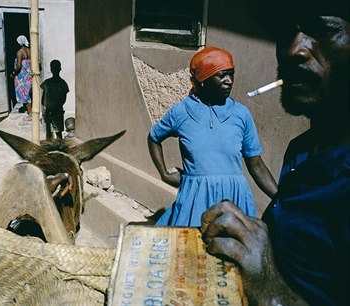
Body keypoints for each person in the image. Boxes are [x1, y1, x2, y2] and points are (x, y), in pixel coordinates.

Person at [201, 1, 349, 305]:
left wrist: (269, 290)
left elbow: (254, 163)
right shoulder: (303, 149)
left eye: (322, 30)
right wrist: (254, 234)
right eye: (286, 33)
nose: (293, 49)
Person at [147, 46, 277, 227]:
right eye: (221, 75)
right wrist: (163, 173)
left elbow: (256, 165)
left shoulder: (241, 114)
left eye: (231, 74)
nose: (229, 81)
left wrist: (281, 198)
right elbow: (154, 137)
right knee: (191, 251)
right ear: (203, 80)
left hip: (234, 200)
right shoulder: (182, 112)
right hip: (196, 199)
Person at [41, 59, 69, 139]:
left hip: (55, 111)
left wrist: (46, 108)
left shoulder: (48, 83)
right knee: (54, 133)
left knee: (53, 133)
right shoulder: (61, 83)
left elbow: (43, 98)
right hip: (53, 111)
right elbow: (64, 99)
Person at [10, 35, 32, 119]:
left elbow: (19, 66)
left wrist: (13, 73)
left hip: (22, 76)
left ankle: (30, 113)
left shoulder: (20, 52)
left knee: (23, 94)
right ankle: (31, 110)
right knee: (29, 93)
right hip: (29, 75)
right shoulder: (30, 51)